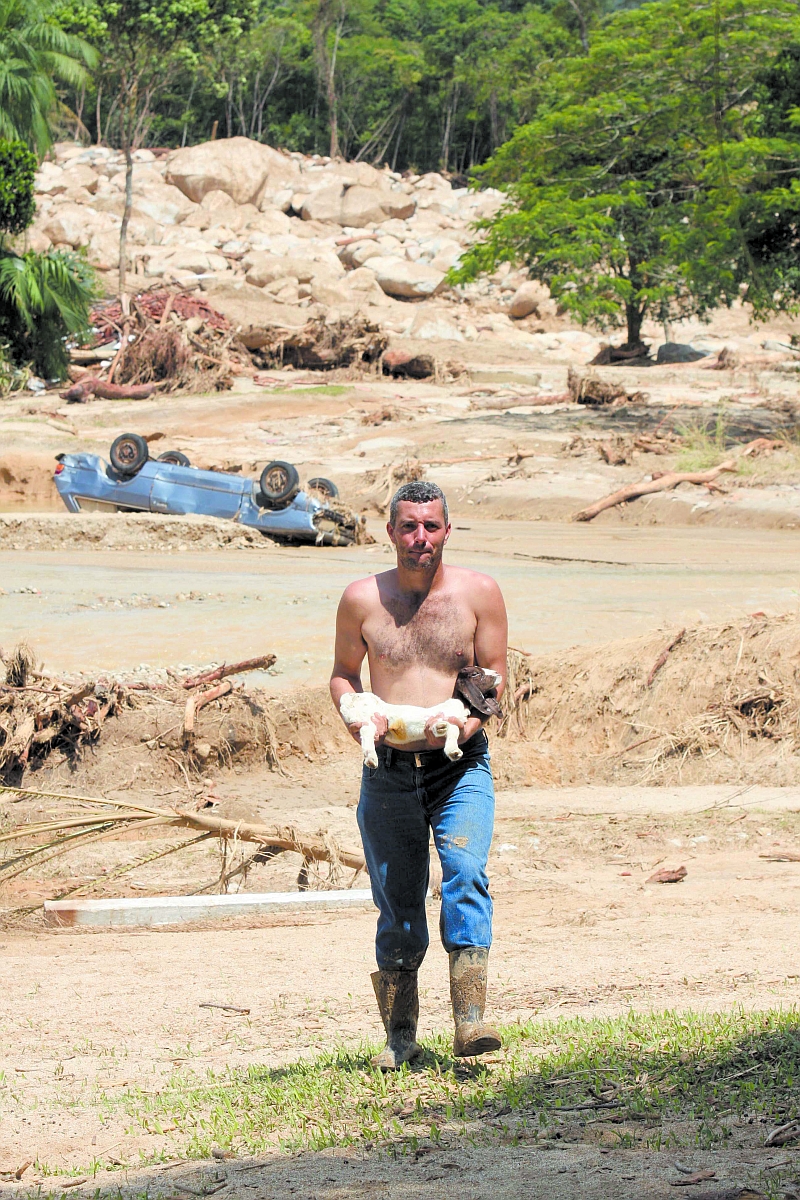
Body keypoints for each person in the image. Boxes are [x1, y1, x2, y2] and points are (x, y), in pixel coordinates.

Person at [330, 480, 508, 1069]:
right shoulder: (361, 599)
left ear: (447, 531)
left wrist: (462, 724)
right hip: (386, 771)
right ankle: (400, 1038)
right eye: (409, 526)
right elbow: (341, 675)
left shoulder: (479, 593)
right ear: (390, 532)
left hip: (459, 767)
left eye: (431, 527)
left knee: (464, 874)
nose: (420, 538)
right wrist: (359, 714)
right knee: (398, 900)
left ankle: (470, 1026)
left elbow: (495, 679)